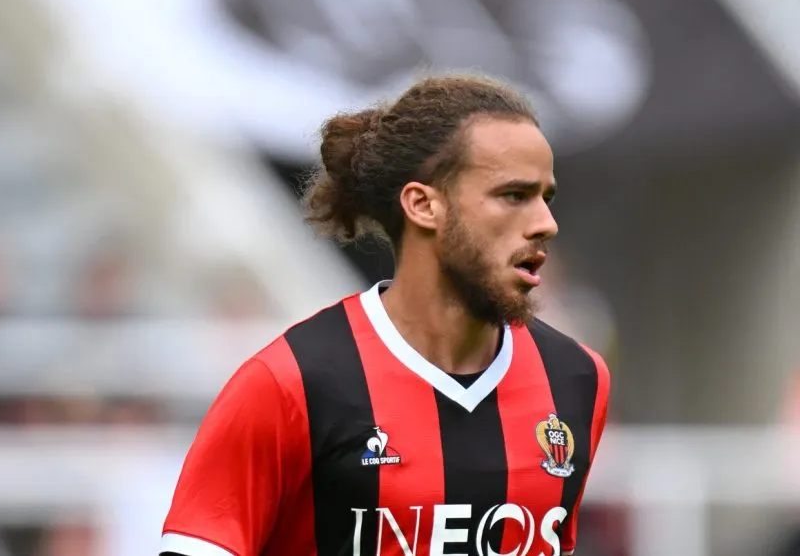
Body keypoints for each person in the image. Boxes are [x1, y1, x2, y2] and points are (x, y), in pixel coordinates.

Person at [159, 73, 611, 556]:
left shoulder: (578, 379)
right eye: (514, 196)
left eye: (547, 198)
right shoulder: (291, 383)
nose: (545, 223)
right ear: (423, 205)